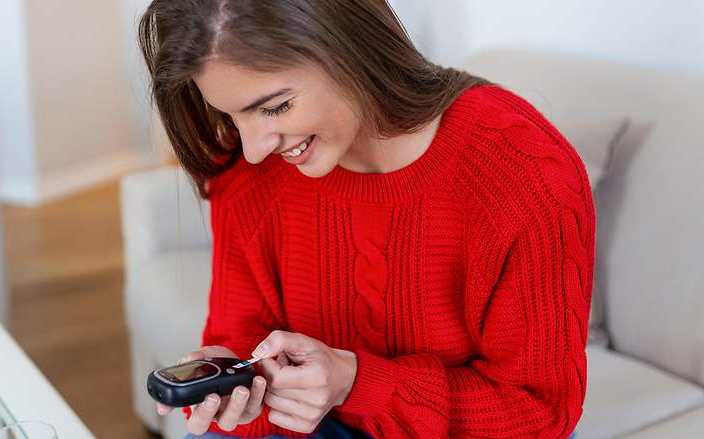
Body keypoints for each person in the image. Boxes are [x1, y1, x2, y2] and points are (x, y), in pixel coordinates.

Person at [138, 1, 592, 438]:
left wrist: (357, 383)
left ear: (348, 49)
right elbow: (241, 338)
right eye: (231, 116)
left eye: (274, 107)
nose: (254, 147)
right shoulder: (248, 171)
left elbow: (538, 411)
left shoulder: (524, 173)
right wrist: (245, 385)